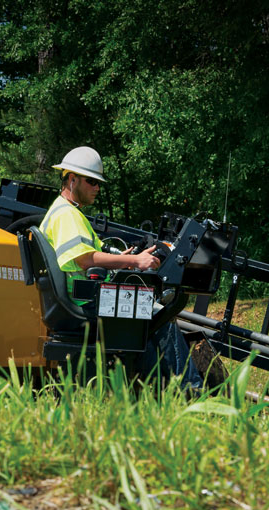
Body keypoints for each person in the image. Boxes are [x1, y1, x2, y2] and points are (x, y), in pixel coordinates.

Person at [40, 146, 202, 389]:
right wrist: (134, 262)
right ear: (71, 180)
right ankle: (189, 391)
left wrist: (125, 257)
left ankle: (151, 391)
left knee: (148, 317)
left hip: (83, 297)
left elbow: (88, 256)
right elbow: (85, 259)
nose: (97, 188)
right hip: (86, 302)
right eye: (91, 181)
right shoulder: (66, 215)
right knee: (159, 318)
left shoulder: (66, 212)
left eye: (99, 183)